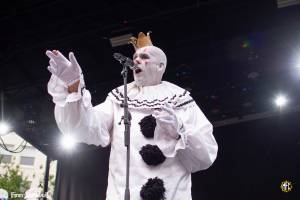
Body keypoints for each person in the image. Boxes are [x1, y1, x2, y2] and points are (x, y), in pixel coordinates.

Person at [46, 32, 218, 200]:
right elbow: (84, 128)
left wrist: (179, 131)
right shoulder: (119, 97)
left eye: (144, 57)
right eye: (135, 57)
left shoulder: (180, 100)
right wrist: (73, 86)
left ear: (161, 66)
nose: (136, 60)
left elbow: (204, 156)